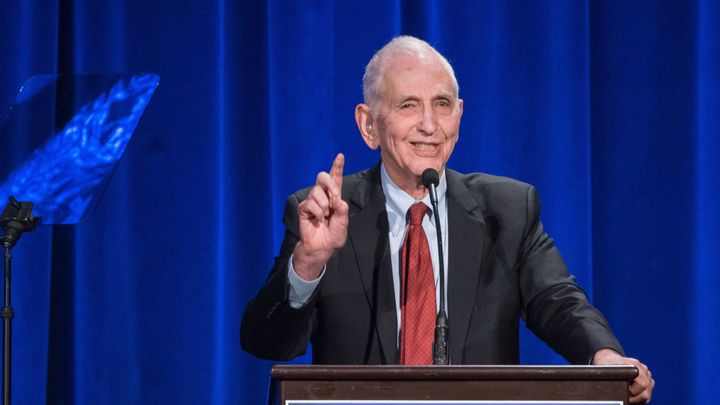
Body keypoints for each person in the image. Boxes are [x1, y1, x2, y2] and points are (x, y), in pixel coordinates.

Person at [241, 36, 654, 403]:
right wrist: (309, 262)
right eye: (408, 105)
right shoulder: (325, 214)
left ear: (459, 114)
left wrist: (606, 358)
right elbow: (266, 343)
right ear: (369, 125)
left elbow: (558, 302)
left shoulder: (507, 209)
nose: (429, 125)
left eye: (441, 104)